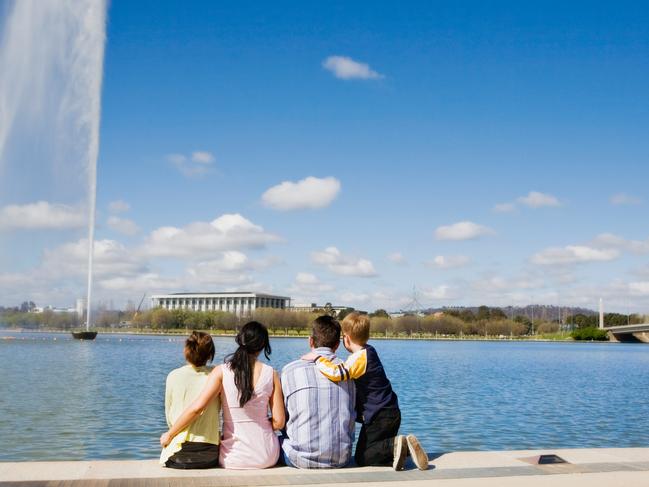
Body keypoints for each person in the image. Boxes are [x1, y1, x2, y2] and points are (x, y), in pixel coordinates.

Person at [302, 312, 428, 470]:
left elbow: (337, 373)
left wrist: (317, 358)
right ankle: (398, 452)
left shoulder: (359, 358)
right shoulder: (370, 351)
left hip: (380, 415)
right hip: (390, 412)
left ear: (346, 338)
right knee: (375, 452)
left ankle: (400, 445)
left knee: (363, 456)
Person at [160, 321, 285, 469]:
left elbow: (197, 408)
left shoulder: (221, 371)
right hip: (266, 456)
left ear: (240, 339)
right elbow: (279, 423)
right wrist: (259, 422)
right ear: (263, 345)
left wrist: (170, 434)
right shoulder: (272, 374)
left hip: (233, 457)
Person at [281, 315, 356, 468]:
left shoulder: (290, 370)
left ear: (311, 341)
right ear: (337, 345)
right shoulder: (349, 371)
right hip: (342, 458)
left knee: (275, 438)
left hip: (300, 459)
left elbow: (282, 418)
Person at [160, 331, 220, 469]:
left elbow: (169, 416)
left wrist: (170, 434)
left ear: (186, 351)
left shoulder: (173, 376)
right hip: (209, 454)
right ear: (210, 355)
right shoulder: (216, 376)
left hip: (177, 454)